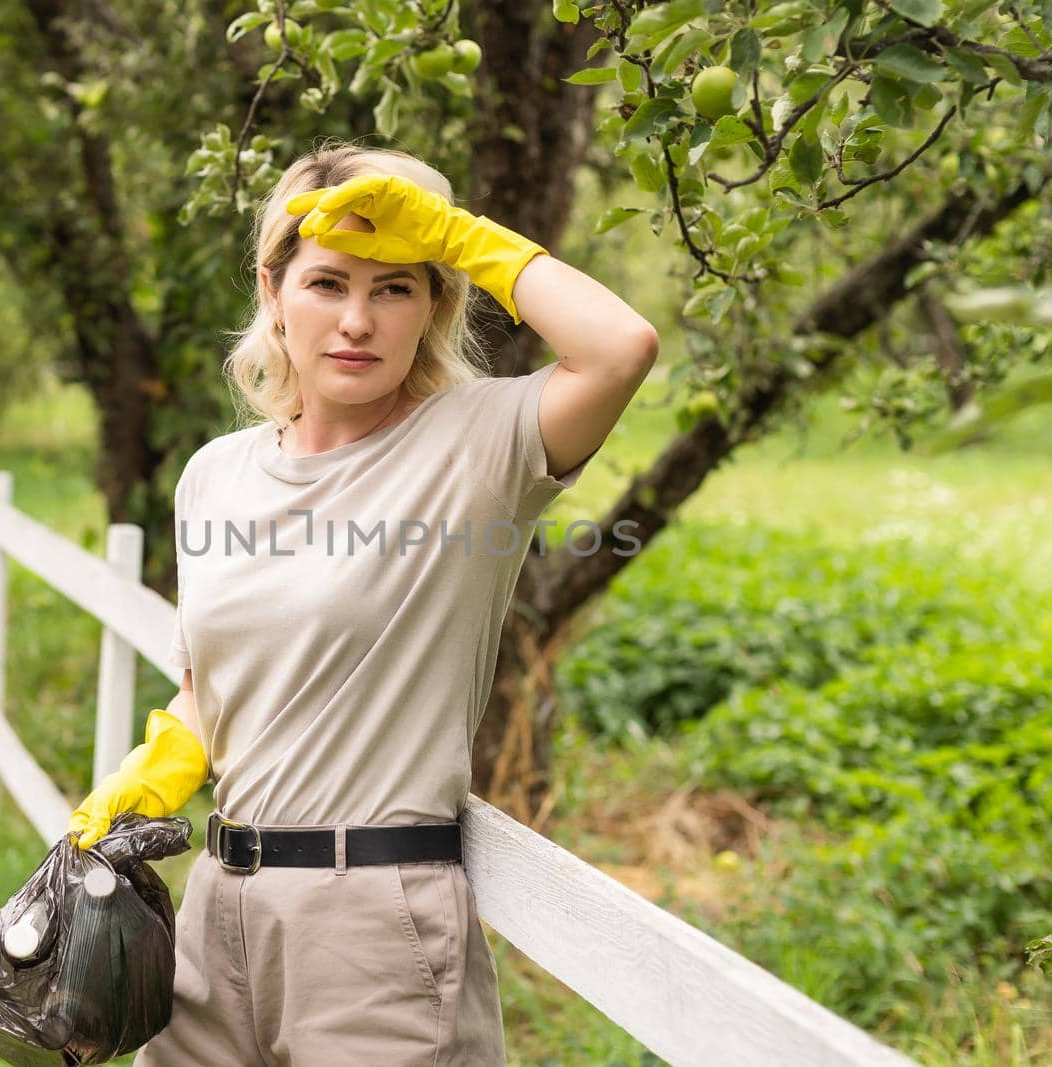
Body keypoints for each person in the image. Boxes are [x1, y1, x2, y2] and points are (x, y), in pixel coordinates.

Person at [66, 138, 659, 1065]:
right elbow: (216, 685)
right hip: (213, 908)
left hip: (374, 927)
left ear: (434, 304)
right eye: (328, 283)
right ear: (273, 290)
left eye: (395, 288)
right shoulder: (215, 476)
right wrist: (162, 760)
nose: (357, 321)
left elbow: (621, 348)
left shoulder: (477, 445)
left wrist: (462, 237)